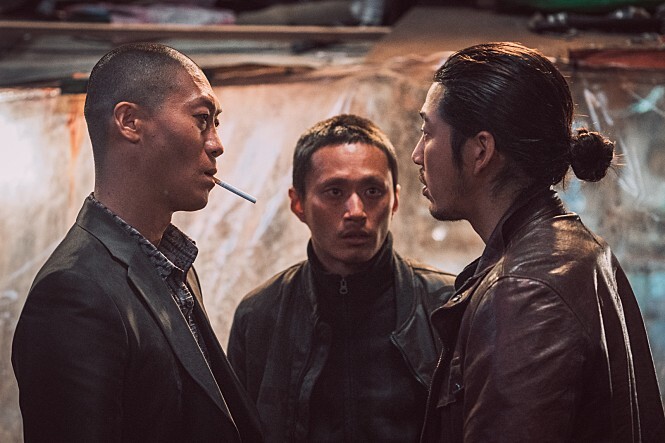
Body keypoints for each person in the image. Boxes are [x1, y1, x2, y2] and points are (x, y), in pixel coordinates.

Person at [412, 41, 665, 442]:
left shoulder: (524, 290)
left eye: (427, 133)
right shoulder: (571, 249)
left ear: (480, 151)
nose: (416, 154)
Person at [11, 42, 263, 442]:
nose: (217, 143)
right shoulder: (74, 293)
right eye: (202, 119)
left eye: (216, 123)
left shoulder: (173, 266)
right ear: (129, 122)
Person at [227, 114, 456, 442]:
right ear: (298, 204)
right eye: (335, 192)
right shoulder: (259, 316)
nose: (356, 211)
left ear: (395, 200)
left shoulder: (446, 306)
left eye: (373, 191)